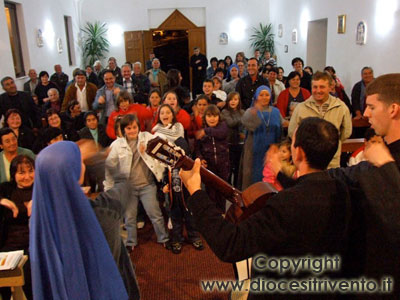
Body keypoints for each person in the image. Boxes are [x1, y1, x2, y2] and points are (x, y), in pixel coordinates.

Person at [180, 117, 351, 300]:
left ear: (298, 153)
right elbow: (306, 187)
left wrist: (196, 192)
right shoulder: (343, 190)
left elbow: (230, 244)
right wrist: (278, 173)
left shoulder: (286, 204)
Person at [30, 141, 139, 299]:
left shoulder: (39, 223)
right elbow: (124, 186)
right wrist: (97, 158)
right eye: (79, 161)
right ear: (74, 170)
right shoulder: (103, 212)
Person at [104, 114, 169, 253]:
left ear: (139, 127)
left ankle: (164, 239)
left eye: (134, 127)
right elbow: (109, 168)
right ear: (123, 130)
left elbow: (164, 145)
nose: (132, 130)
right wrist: (108, 189)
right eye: (128, 128)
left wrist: (147, 151)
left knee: (155, 213)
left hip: (147, 185)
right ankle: (131, 242)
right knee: (129, 217)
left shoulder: (147, 138)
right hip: (128, 188)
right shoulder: (117, 145)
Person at [288, 71, 352, 168]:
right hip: (308, 163)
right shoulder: (301, 108)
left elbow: (346, 132)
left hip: (332, 162)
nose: (318, 91)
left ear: (330, 88)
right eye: (315, 87)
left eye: (322, 87)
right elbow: (292, 132)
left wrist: (332, 144)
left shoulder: (340, 107)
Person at [0, 155, 35, 300]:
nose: (27, 177)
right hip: (10, 244)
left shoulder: (42, 189)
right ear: (14, 174)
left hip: (34, 244)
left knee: (30, 272)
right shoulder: (6, 189)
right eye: (21, 173)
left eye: (30, 171)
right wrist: (2, 200)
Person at [240, 85, 281, 189]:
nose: (264, 97)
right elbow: (245, 123)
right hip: (254, 150)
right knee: (252, 179)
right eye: (261, 95)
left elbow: (280, 127)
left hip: (272, 150)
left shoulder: (276, 112)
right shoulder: (250, 111)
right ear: (256, 97)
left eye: (267, 95)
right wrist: (255, 110)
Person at [195, 104, 229, 212]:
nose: (212, 118)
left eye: (215, 116)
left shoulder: (222, 126)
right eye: (209, 116)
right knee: (211, 193)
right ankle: (213, 216)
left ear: (219, 117)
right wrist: (200, 158)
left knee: (222, 192)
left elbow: (221, 133)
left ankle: (222, 213)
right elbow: (197, 149)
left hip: (223, 165)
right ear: (205, 118)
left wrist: (206, 131)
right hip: (209, 167)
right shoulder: (202, 131)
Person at [221, 92, 245, 188]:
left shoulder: (242, 112)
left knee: (238, 169)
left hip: (240, 143)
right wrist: (243, 119)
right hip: (229, 143)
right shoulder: (224, 112)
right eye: (231, 99)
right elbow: (231, 123)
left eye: (235, 99)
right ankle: (228, 187)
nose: (233, 102)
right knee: (229, 168)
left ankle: (237, 188)